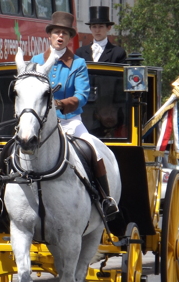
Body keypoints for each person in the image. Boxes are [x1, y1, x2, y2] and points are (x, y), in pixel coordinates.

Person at [31, 11, 118, 219]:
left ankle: (105, 198)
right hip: (41, 123)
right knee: (15, 147)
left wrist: (60, 104)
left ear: (70, 38)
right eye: (56, 33)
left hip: (69, 122)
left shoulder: (78, 64)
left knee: (92, 150)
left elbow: (82, 95)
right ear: (49, 36)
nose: (60, 37)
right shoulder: (35, 61)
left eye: (64, 34)